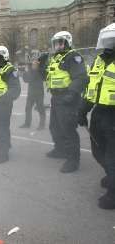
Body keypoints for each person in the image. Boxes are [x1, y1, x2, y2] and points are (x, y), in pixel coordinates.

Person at [78, 23, 115, 209]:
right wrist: (83, 109)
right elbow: (93, 88)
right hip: (100, 111)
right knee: (98, 150)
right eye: (107, 39)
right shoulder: (99, 60)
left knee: (112, 155)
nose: (110, 43)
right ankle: (111, 175)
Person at [44, 31, 88, 173]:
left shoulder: (73, 57)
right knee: (54, 126)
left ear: (68, 42)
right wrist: (38, 67)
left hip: (68, 98)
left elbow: (80, 77)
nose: (58, 46)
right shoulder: (56, 58)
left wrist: (72, 93)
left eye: (61, 42)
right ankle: (60, 150)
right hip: (56, 97)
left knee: (68, 129)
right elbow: (48, 76)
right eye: (56, 43)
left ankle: (73, 160)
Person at [19, 53, 47, 130]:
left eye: (35, 62)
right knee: (27, 108)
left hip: (39, 93)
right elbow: (26, 80)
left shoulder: (41, 70)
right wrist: (25, 71)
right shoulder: (30, 70)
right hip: (31, 93)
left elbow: (44, 76)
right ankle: (27, 123)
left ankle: (42, 125)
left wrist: (39, 66)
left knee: (40, 108)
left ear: (38, 63)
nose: (34, 63)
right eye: (33, 62)